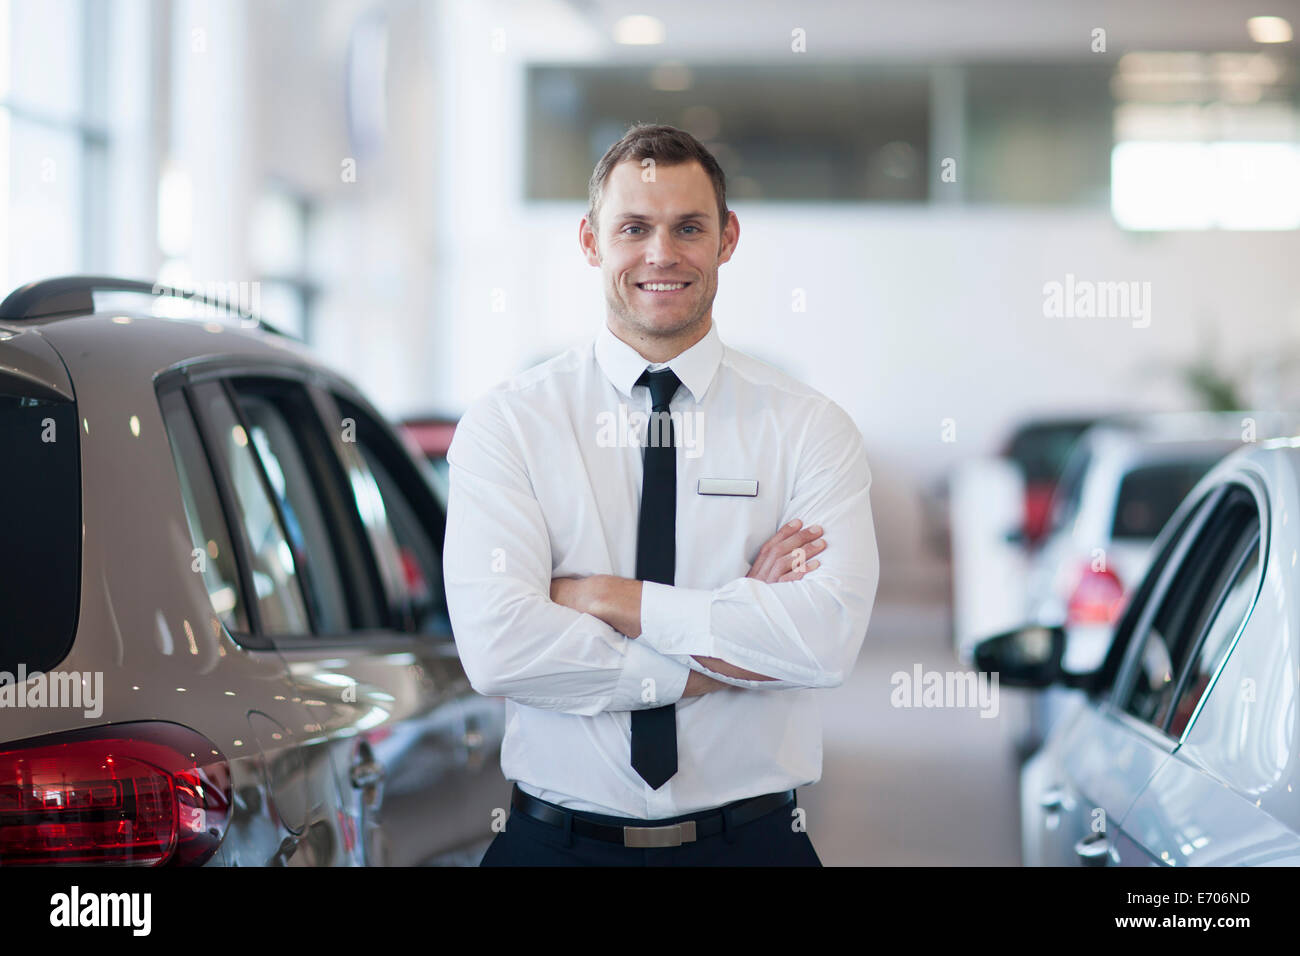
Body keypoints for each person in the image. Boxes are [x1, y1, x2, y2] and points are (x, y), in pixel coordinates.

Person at [443, 123, 879, 865]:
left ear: (727, 238)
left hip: (754, 844)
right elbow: (501, 650)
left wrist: (612, 598)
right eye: (634, 228)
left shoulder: (809, 428)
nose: (661, 254)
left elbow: (823, 639)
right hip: (554, 845)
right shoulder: (508, 424)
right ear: (590, 241)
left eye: (688, 228)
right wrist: (713, 661)